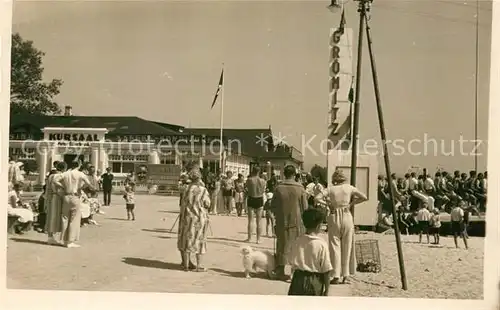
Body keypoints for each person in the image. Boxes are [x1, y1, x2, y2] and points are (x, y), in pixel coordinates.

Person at [317, 169, 368, 284]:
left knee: (334, 246)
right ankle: (346, 274)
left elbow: (317, 198)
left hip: (334, 215)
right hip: (346, 214)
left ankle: (335, 275)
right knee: (347, 245)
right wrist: (351, 204)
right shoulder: (349, 188)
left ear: (334, 179)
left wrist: (329, 204)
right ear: (344, 178)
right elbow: (364, 197)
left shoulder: (330, 189)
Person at [272, 165, 308, 281]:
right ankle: (293, 273)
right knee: (296, 247)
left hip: (282, 220)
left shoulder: (279, 188)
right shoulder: (300, 188)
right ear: (294, 174)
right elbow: (305, 207)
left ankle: (280, 270)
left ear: (284, 173)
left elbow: (273, 206)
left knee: (281, 245)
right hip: (297, 222)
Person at [287, 208, 332, 296]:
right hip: (314, 281)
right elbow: (326, 270)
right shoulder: (321, 244)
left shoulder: (297, 241)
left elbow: (291, 261)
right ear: (318, 226)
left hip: (298, 279)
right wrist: (327, 289)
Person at [53, 160, 95, 248]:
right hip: (75, 196)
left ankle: (63, 240)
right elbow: (89, 184)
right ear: (78, 165)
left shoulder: (66, 173)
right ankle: (70, 241)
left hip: (66, 196)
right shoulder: (80, 174)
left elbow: (55, 180)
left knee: (65, 218)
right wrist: (85, 187)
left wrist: (63, 186)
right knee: (74, 219)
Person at [177, 166, 211, 272]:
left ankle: (186, 265)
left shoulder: (185, 189)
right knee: (199, 240)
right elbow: (207, 204)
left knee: (186, 240)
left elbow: (182, 202)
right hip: (198, 218)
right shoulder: (203, 190)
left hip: (186, 217)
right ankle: (198, 266)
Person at [45, 161, 67, 245]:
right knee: (55, 216)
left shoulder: (51, 175)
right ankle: (51, 237)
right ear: (64, 168)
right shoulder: (60, 176)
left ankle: (50, 236)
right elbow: (58, 188)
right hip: (56, 197)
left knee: (50, 216)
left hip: (50, 196)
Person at [245, 166, 267, 243]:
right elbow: (263, 190)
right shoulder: (263, 181)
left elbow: (246, 189)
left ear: (252, 171)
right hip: (259, 198)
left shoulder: (249, 180)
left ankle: (249, 238)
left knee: (251, 220)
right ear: (259, 171)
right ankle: (258, 239)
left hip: (251, 198)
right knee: (259, 221)